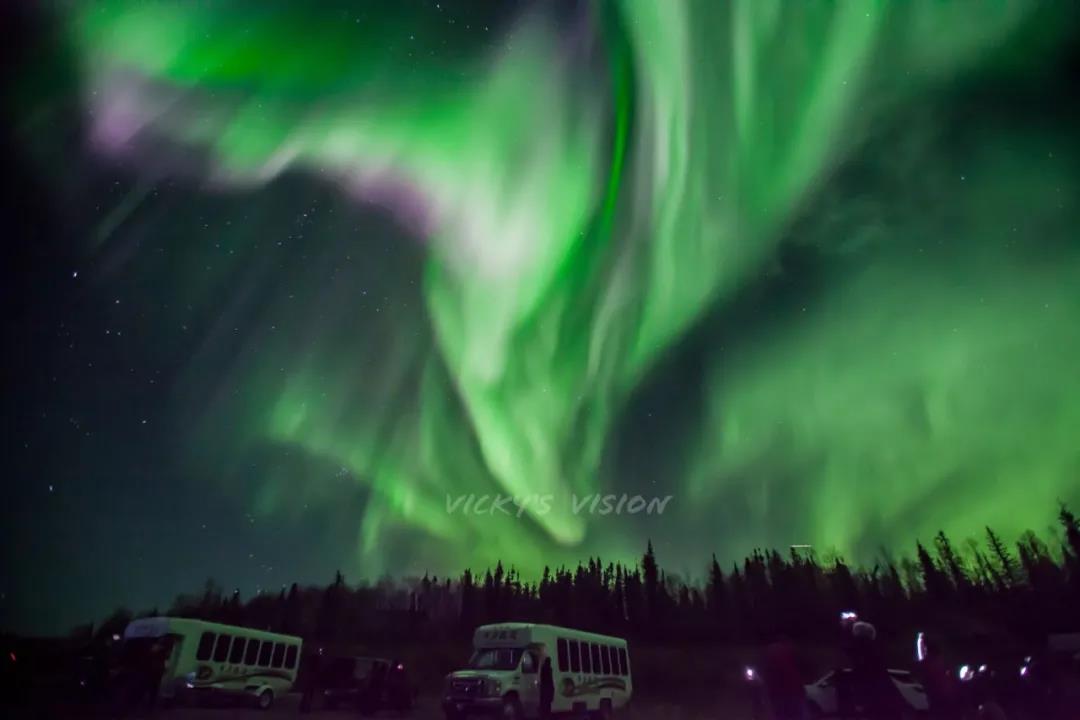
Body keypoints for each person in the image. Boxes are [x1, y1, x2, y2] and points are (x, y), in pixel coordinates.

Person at [761, 636, 806, 720]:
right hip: (792, 692)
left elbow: (766, 675)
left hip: (780, 694)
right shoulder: (790, 651)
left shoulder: (770, 652)